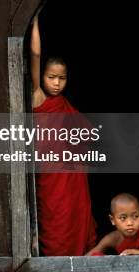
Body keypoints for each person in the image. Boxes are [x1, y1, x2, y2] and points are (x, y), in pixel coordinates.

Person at [30, 15, 96, 256]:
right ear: (41, 77)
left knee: (76, 213)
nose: (57, 83)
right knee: (54, 216)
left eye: (62, 78)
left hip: (72, 175)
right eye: (51, 77)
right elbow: (36, 55)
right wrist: (35, 19)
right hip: (50, 174)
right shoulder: (39, 98)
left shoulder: (64, 103)